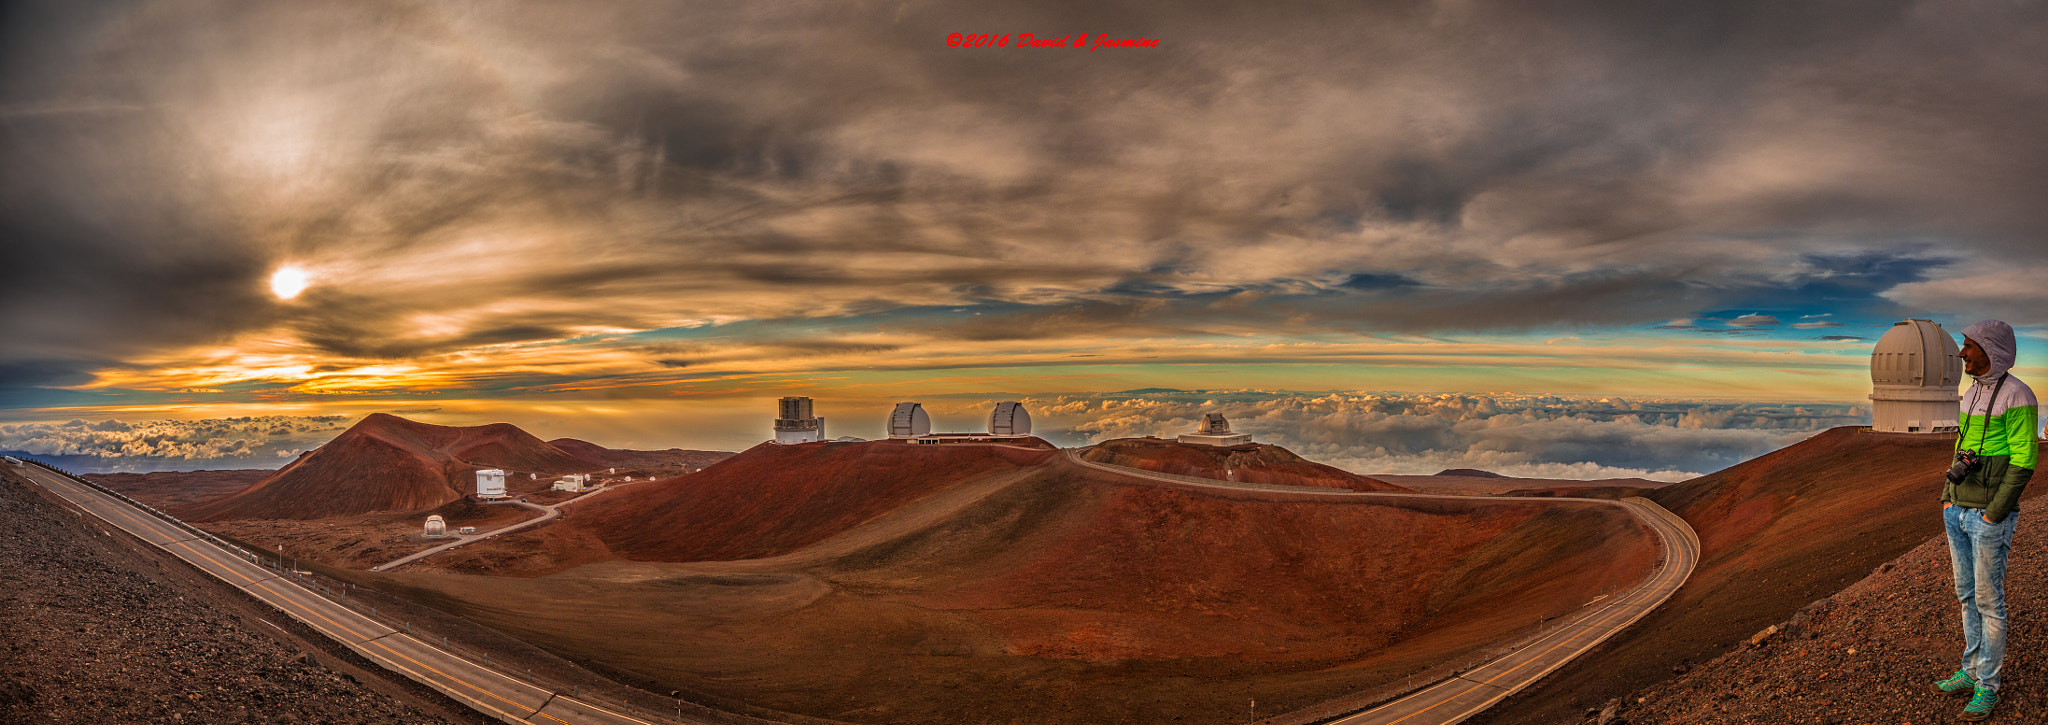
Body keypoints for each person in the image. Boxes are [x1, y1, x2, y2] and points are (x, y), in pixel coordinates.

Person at [1932, 319, 2037, 721]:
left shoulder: (2018, 396)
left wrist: (1996, 513)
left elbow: (2024, 461)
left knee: (1989, 602)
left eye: (1969, 346)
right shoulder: (1970, 393)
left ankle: (1987, 686)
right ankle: (1971, 668)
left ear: (1992, 349)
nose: (1962, 353)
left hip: (1988, 516)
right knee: (1966, 596)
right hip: (1957, 509)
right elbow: (1961, 449)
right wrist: (1947, 497)